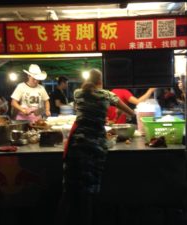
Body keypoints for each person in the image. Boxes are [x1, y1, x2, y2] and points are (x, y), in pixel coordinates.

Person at [56, 69, 136, 225]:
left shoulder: (78, 93)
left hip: (76, 145)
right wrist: (119, 110)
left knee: (69, 190)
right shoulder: (108, 95)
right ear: (101, 81)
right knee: (88, 191)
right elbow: (131, 113)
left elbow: (86, 106)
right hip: (95, 147)